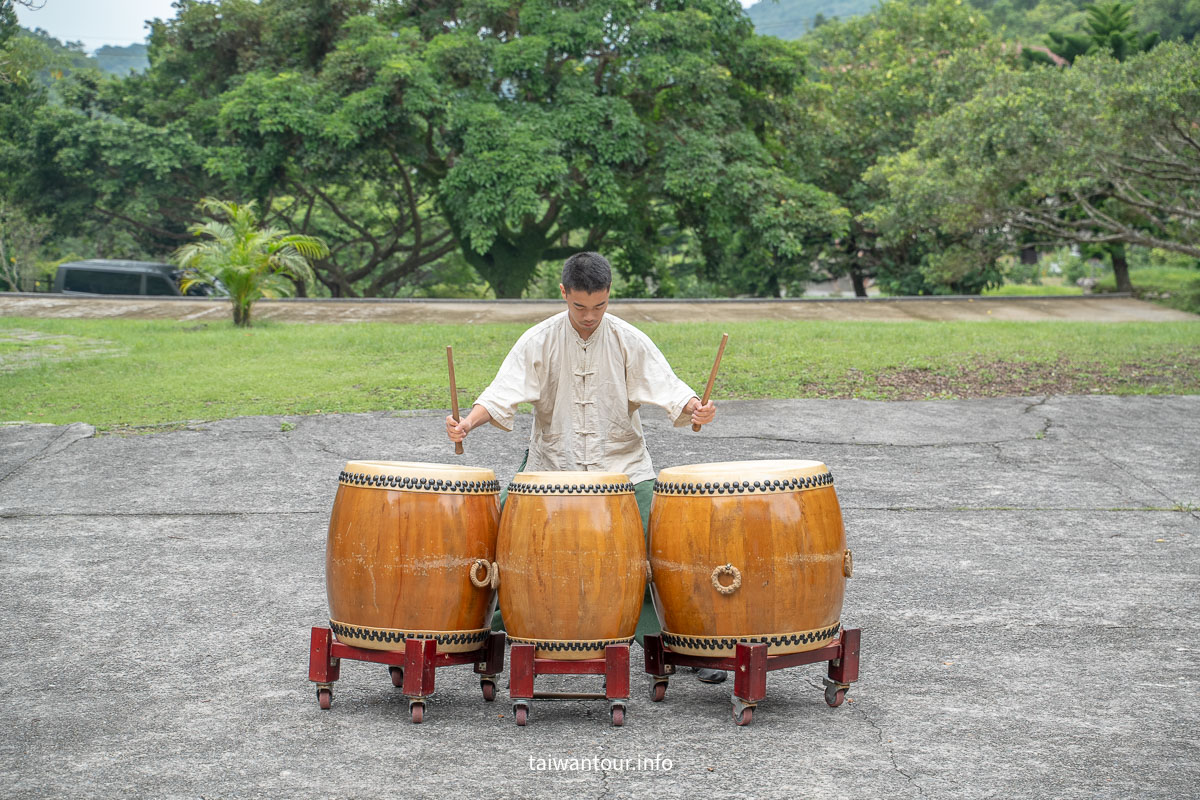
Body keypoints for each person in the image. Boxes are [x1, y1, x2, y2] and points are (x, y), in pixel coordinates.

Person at [445, 251, 726, 683]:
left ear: (609, 295)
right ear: (563, 294)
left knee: (664, 548)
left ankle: (678, 647)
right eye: (579, 306)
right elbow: (501, 393)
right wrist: (467, 423)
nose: (590, 316)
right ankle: (490, 638)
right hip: (552, 467)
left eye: (599, 306)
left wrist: (695, 408)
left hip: (624, 467)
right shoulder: (538, 339)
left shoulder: (629, 339)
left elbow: (670, 388)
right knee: (500, 537)